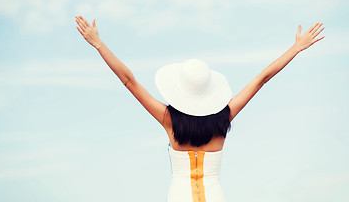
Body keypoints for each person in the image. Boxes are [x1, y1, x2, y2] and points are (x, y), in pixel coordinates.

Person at [75, 16, 325, 202]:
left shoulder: (168, 119)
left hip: (179, 195)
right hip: (215, 195)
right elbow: (261, 79)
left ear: (179, 90)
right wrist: (296, 48)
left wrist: (99, 44)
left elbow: (128, 81)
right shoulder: (224, 117)